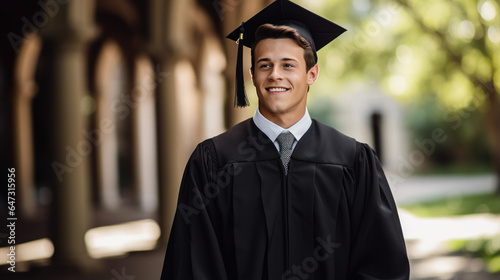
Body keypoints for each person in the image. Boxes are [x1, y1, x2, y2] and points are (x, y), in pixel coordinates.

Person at [160, 0, 410, 279]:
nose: (275, 74)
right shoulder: (213, 161)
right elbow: (193, 264)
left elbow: (382, 264)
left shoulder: (352, 160)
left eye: (288, 65)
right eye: (265, 65)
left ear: (311, 74)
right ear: (252, 75)